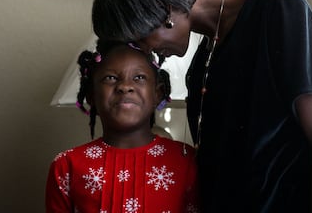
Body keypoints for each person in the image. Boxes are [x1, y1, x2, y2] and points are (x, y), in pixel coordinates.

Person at [91, 0, 312, 212]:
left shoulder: (278, 10)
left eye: (140, 37)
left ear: (165, 10)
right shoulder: (200, 67)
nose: (146, 51)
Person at [45, 40, 200, 213]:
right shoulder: (66, 165)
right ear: (91, 96)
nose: (125, 86)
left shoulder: (188, 161)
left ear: (158, 93)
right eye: (110, 78)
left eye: (139, 77)